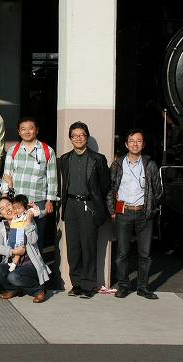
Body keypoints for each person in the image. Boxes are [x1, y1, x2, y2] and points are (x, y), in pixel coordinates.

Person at [107, 129, 163, 300]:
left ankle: (143, 287)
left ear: (143, 144)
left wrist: (151, 209)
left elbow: (158, 190)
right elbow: (110, 189)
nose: (135, 144)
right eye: (132, 141)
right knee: (122, 252)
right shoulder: (117, 165)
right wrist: (112, 211)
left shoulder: (150, 165)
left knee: (145, 254)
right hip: (123, 212)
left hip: (143, 214)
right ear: (126, 144)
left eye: (139, 141)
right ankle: (123, 286)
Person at [58, 121, 110, 299]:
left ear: (86, 137)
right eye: (75, 135)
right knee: (73, 247)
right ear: (70, 138)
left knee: (88, 246)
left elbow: (105, 185)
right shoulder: (65, 159)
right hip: (70, 205)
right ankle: (77, 284)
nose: (78, 138)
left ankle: (88, 285)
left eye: (82, 135)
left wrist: (95, 203)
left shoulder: (98, 159)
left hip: (89, 205)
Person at [2, 117, 58, 250]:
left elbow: (52, 177)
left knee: (37, 238)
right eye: (23, 129)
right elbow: (7, 175)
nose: (27, 132)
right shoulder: (13, 150)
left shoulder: (47, 150)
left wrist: (50, 200)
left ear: (37, 130)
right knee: (17, 239)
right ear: (19, 132)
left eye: (30, 128)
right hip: (17, 202)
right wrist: (4, 197)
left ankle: (37, 263)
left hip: (38, 201)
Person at [0, 197, 50, 303]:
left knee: (14, 276)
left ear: (14, 205)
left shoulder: (27, 219)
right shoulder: (0, 227)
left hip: (30, 264)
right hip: (13, 263)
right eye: (2, 208)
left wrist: (29, 222)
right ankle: (13, 289)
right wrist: (14, 252)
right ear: (0, 214)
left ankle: (38, 291)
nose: (7, 209)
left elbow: (33, 240)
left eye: (8, 204)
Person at [7, 195, 40, 272]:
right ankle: (12, 261)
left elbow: (37, 212)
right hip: (14, 233)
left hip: (21, 233)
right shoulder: (16, 216)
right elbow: (12, 225)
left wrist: (34, 206)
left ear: (25, 207)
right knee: (12, 247)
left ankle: (14, 263)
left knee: (19, 248)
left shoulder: (27, 213)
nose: (17, 210)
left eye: (19, 208)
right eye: (15, 208)